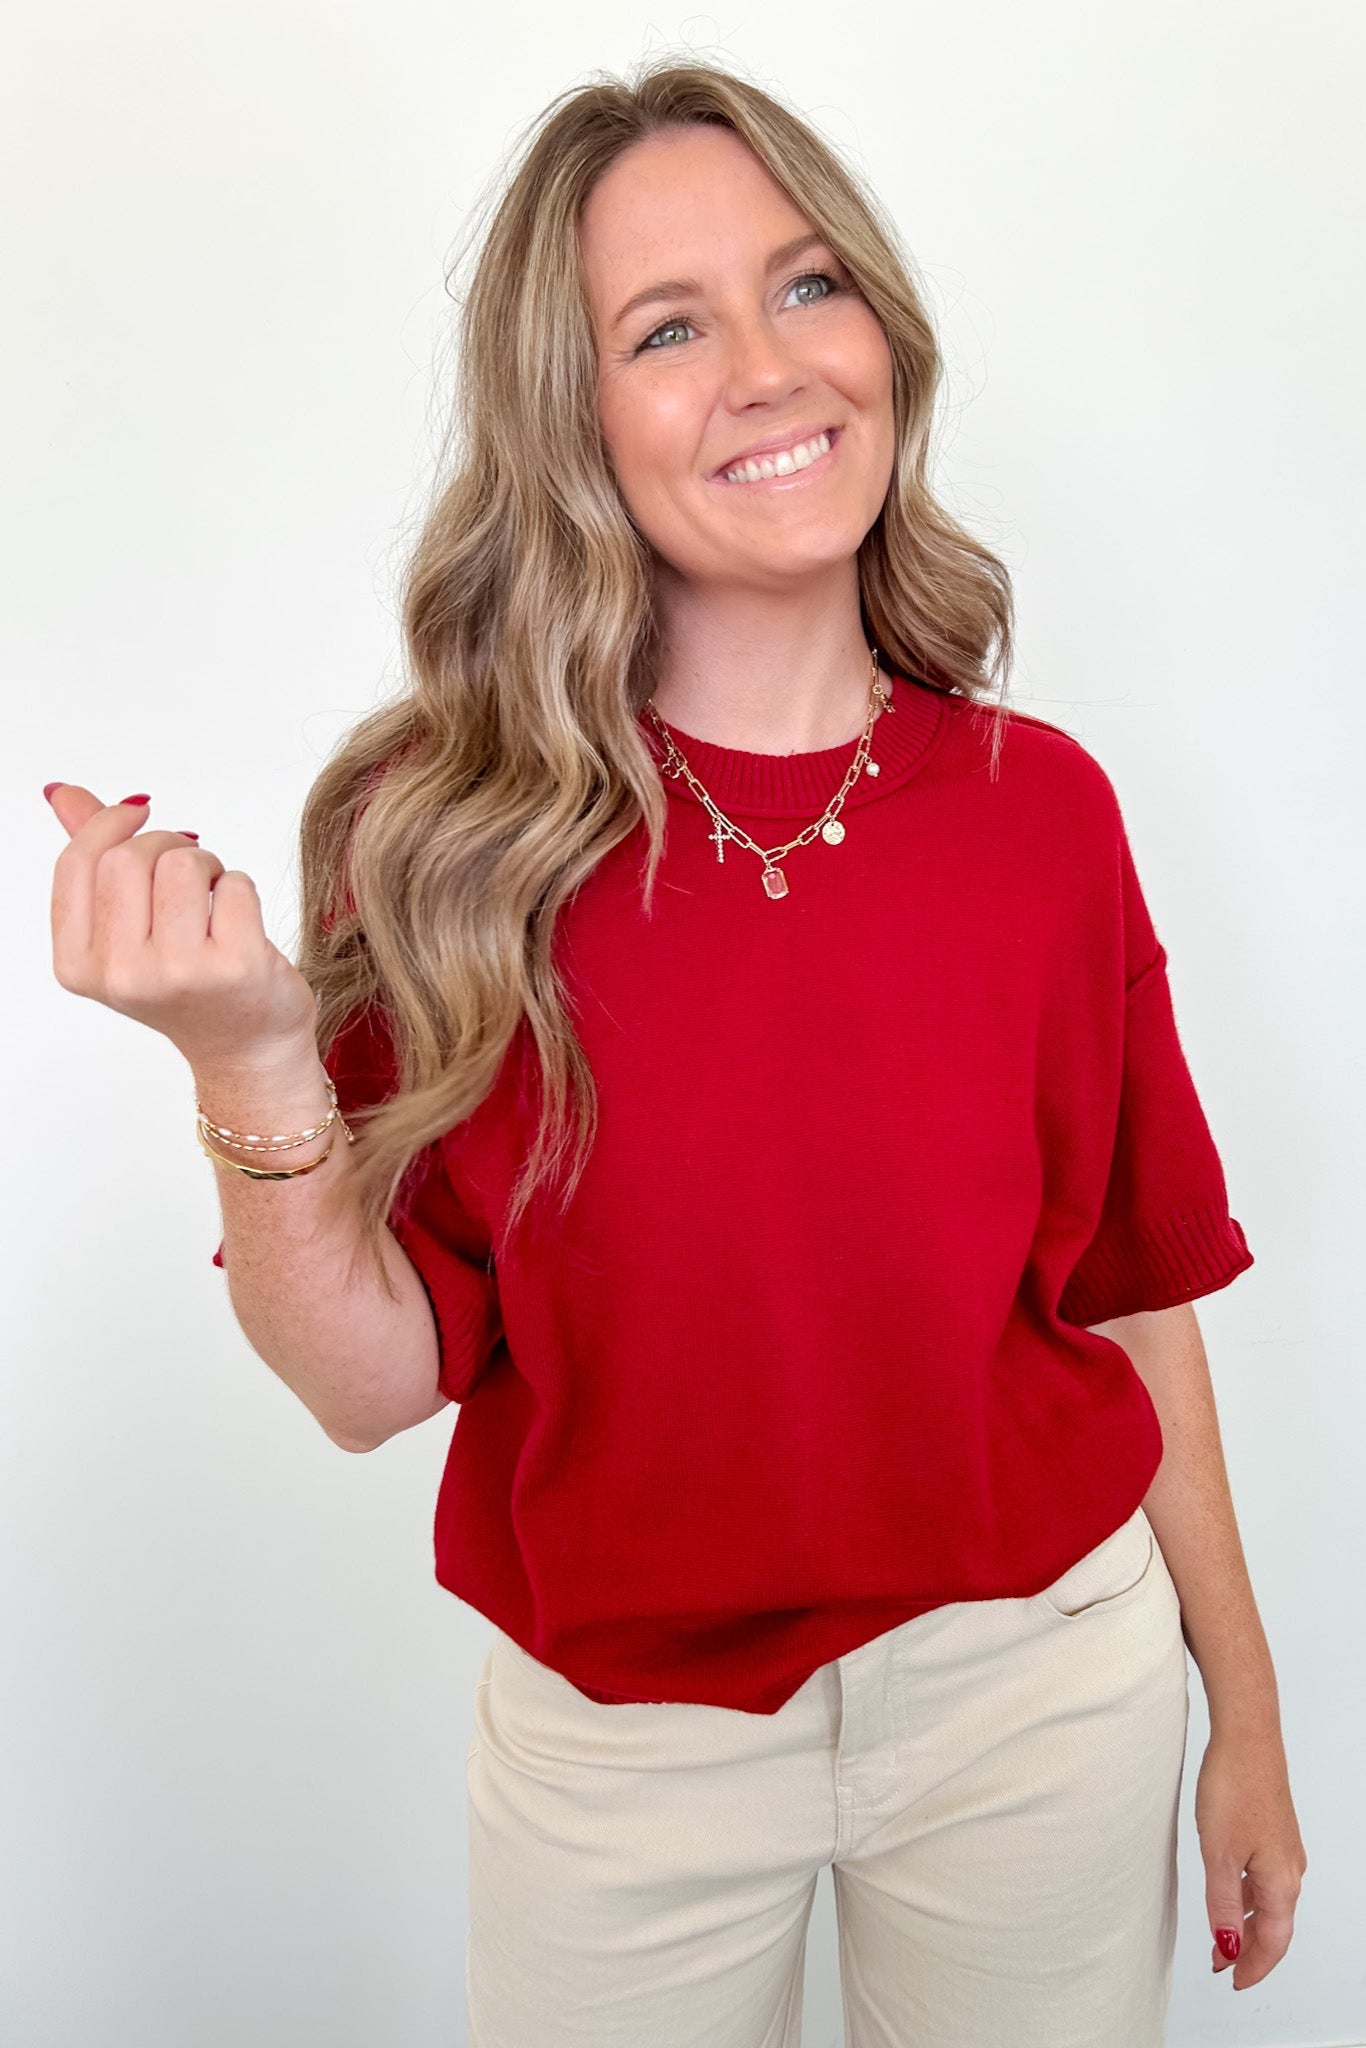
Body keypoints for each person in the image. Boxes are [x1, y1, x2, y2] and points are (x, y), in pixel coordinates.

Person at [44, 53, 1305, 2048]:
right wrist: (248, 1056)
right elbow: (373, 1386)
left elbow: (1133, 1295)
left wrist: (1243, 1711)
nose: (766, 366)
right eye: (665, 326)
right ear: (573, 418)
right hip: (618, 1747)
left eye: (805, 287)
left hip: (1033, 1692)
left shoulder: (1033, 807)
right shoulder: (434, 832)